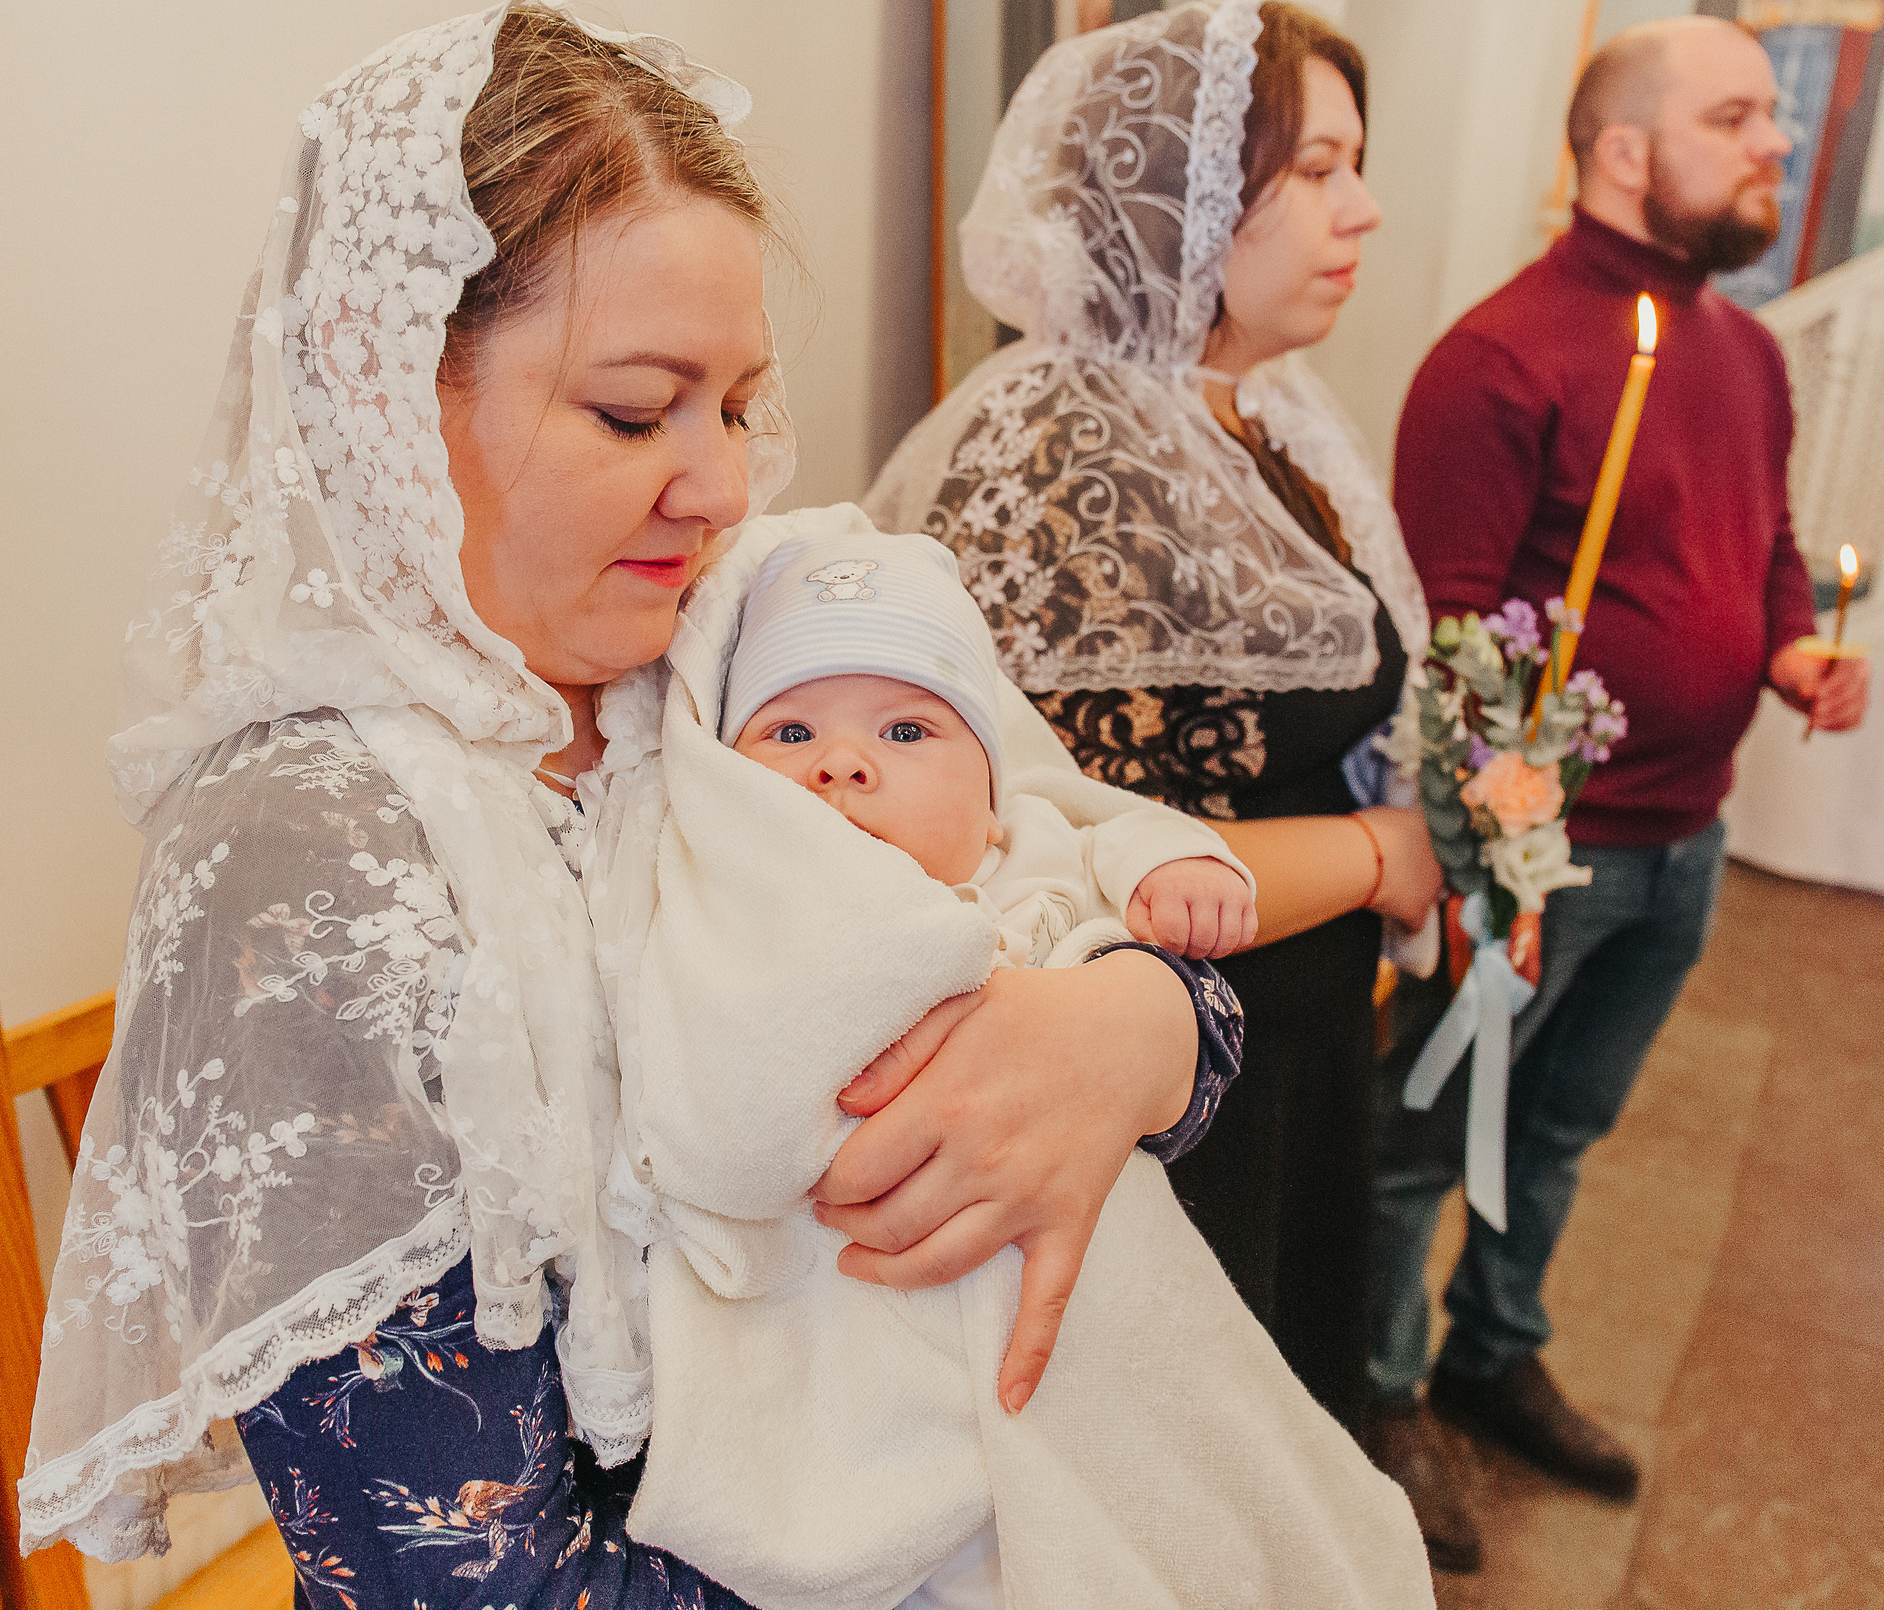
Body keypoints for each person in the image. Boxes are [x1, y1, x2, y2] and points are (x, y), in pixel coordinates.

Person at [19, 0, 1243, 1610]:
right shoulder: (315, 852)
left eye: (734, 403)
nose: (722, 483)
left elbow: (1060, 853)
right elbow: (455, 1575)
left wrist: (1141, 1025)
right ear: (385, 388)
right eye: (630, 408)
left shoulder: (732, 653)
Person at [610, 525, 1430, 1610]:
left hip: (1090, 1310)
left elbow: (1104, 858)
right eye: (790, 728)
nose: (841, 763)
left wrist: (1159, 908)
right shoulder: (727, 910)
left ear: (991, 797)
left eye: (906, 730)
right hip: (850, 1334)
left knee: (1195, 1507)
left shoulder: (1022, 855)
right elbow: (706, 1121)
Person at [867, 0, 1440, 1438]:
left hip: (1294, 1043)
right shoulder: (1063, 446)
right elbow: (1082, 845)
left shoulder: (1262, 407)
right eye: (1316, 169)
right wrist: (1380, 850)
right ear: (1178, 190)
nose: (1362, 208)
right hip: (1172, 1085)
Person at [1362, 15, 1873, 1573]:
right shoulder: (1499, 358)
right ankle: (1377, 1392)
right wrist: (1497, 845)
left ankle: (1494, 1349)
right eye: (1739, 116)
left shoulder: (1747, 349)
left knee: (1570, 1122)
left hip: (1688, 834)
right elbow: (1446, 638)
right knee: (1422, 1137)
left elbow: (1766, 538)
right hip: (1539, 851)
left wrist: (1790, 641)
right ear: (1625, 150)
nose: (1776, 141)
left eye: (1773, 119)